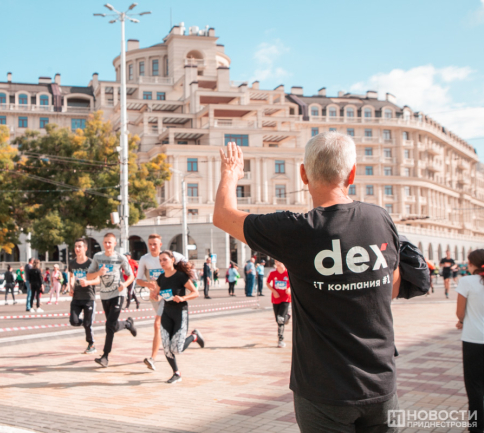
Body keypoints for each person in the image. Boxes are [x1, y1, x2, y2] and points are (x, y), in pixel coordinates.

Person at [213, 134, 401, 431]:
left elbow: (223, 215)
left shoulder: (295, 230)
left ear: (303, 174)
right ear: (352, 174)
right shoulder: (379, 218)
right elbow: (392, 288)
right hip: (382, 384)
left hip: (323, 391)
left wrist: (231, 173)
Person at [135, 233, 188, 371]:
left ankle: (152, 358)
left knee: (157, 324)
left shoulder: (172, 256)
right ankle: (191, 338)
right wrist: (148, 284)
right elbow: (138, 280)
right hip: (155, 296)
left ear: (160, 245)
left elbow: (187, 268)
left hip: (169, 296)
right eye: (150, 244)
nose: (152, 247)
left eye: (155, 244)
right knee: (164, 327)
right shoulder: (145, 259)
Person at [153, 250, 205, 384]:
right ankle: (176, 373)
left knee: (177, 349)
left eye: (164, 259)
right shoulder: (161, 278)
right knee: (166, 347)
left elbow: (195, 293)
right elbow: (158, 295)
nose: (162, 262)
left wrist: (182, 298)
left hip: (180, 313)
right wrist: (155, 295)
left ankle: (194, 336)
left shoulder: (180, 276)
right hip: (166, 313)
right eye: (160, 260)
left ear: (172, 260)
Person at [86, 233, 137, 368]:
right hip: (104, 295)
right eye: (105, 242)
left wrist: (124, 285)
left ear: (115, 244)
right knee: (112, 325)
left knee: (109, 325)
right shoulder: (97, 257)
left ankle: (105, 356)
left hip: (118, 294)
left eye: (110, 242)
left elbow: (131, 276)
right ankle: (127, 324)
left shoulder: (120, 258)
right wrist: (98, 273)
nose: (107, 245)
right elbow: (89, 276)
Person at [456, 249, 484, 433]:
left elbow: (460, 312)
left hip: (473, 339)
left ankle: (476, 427)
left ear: (472, 264)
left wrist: (462, 320)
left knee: (474, 385)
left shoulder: (467, 281)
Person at [69, 238, 97, 354]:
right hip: (76, 297)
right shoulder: (72, 263)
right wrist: (71, 287)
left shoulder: (91, 263)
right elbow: (71, 276)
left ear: (85, 248)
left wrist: (88, 282)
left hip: (88, 297)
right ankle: (86, 323)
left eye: (80, 246)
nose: (77, 249)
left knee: (87, 324)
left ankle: (91, 344)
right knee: (74, 321)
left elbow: (98, 280)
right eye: (76, 246)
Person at [267, 260, 292, 348]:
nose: (278, 263)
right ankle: (287, 316)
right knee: (278, 320)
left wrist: (289, 288)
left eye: (279, 261)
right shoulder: (273, 273)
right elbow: (267, 283)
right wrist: (274, 291)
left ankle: (280, 340)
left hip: (286, 298)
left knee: (280, 319)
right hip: (276, 298)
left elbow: (294, 283)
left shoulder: (288, 273)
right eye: (276, 262)